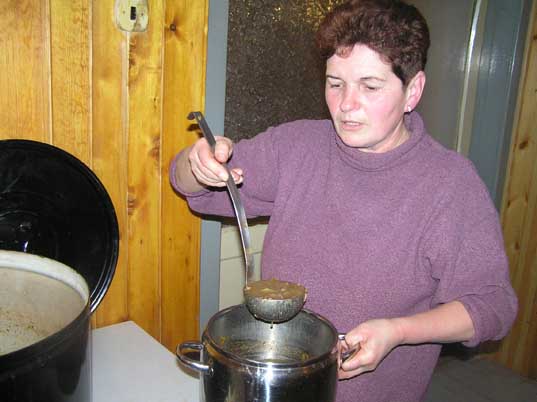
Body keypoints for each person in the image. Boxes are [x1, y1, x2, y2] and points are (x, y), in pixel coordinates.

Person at [170, 0, 518, 401]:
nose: (346, 105)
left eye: (370, 86)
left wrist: (398, 331)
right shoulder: (297, 147)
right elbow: (194, 189)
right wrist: (197, 163)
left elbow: (493, 305)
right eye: (335, 84)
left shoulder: (449, 186)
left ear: (413, 90)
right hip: (281, 386)